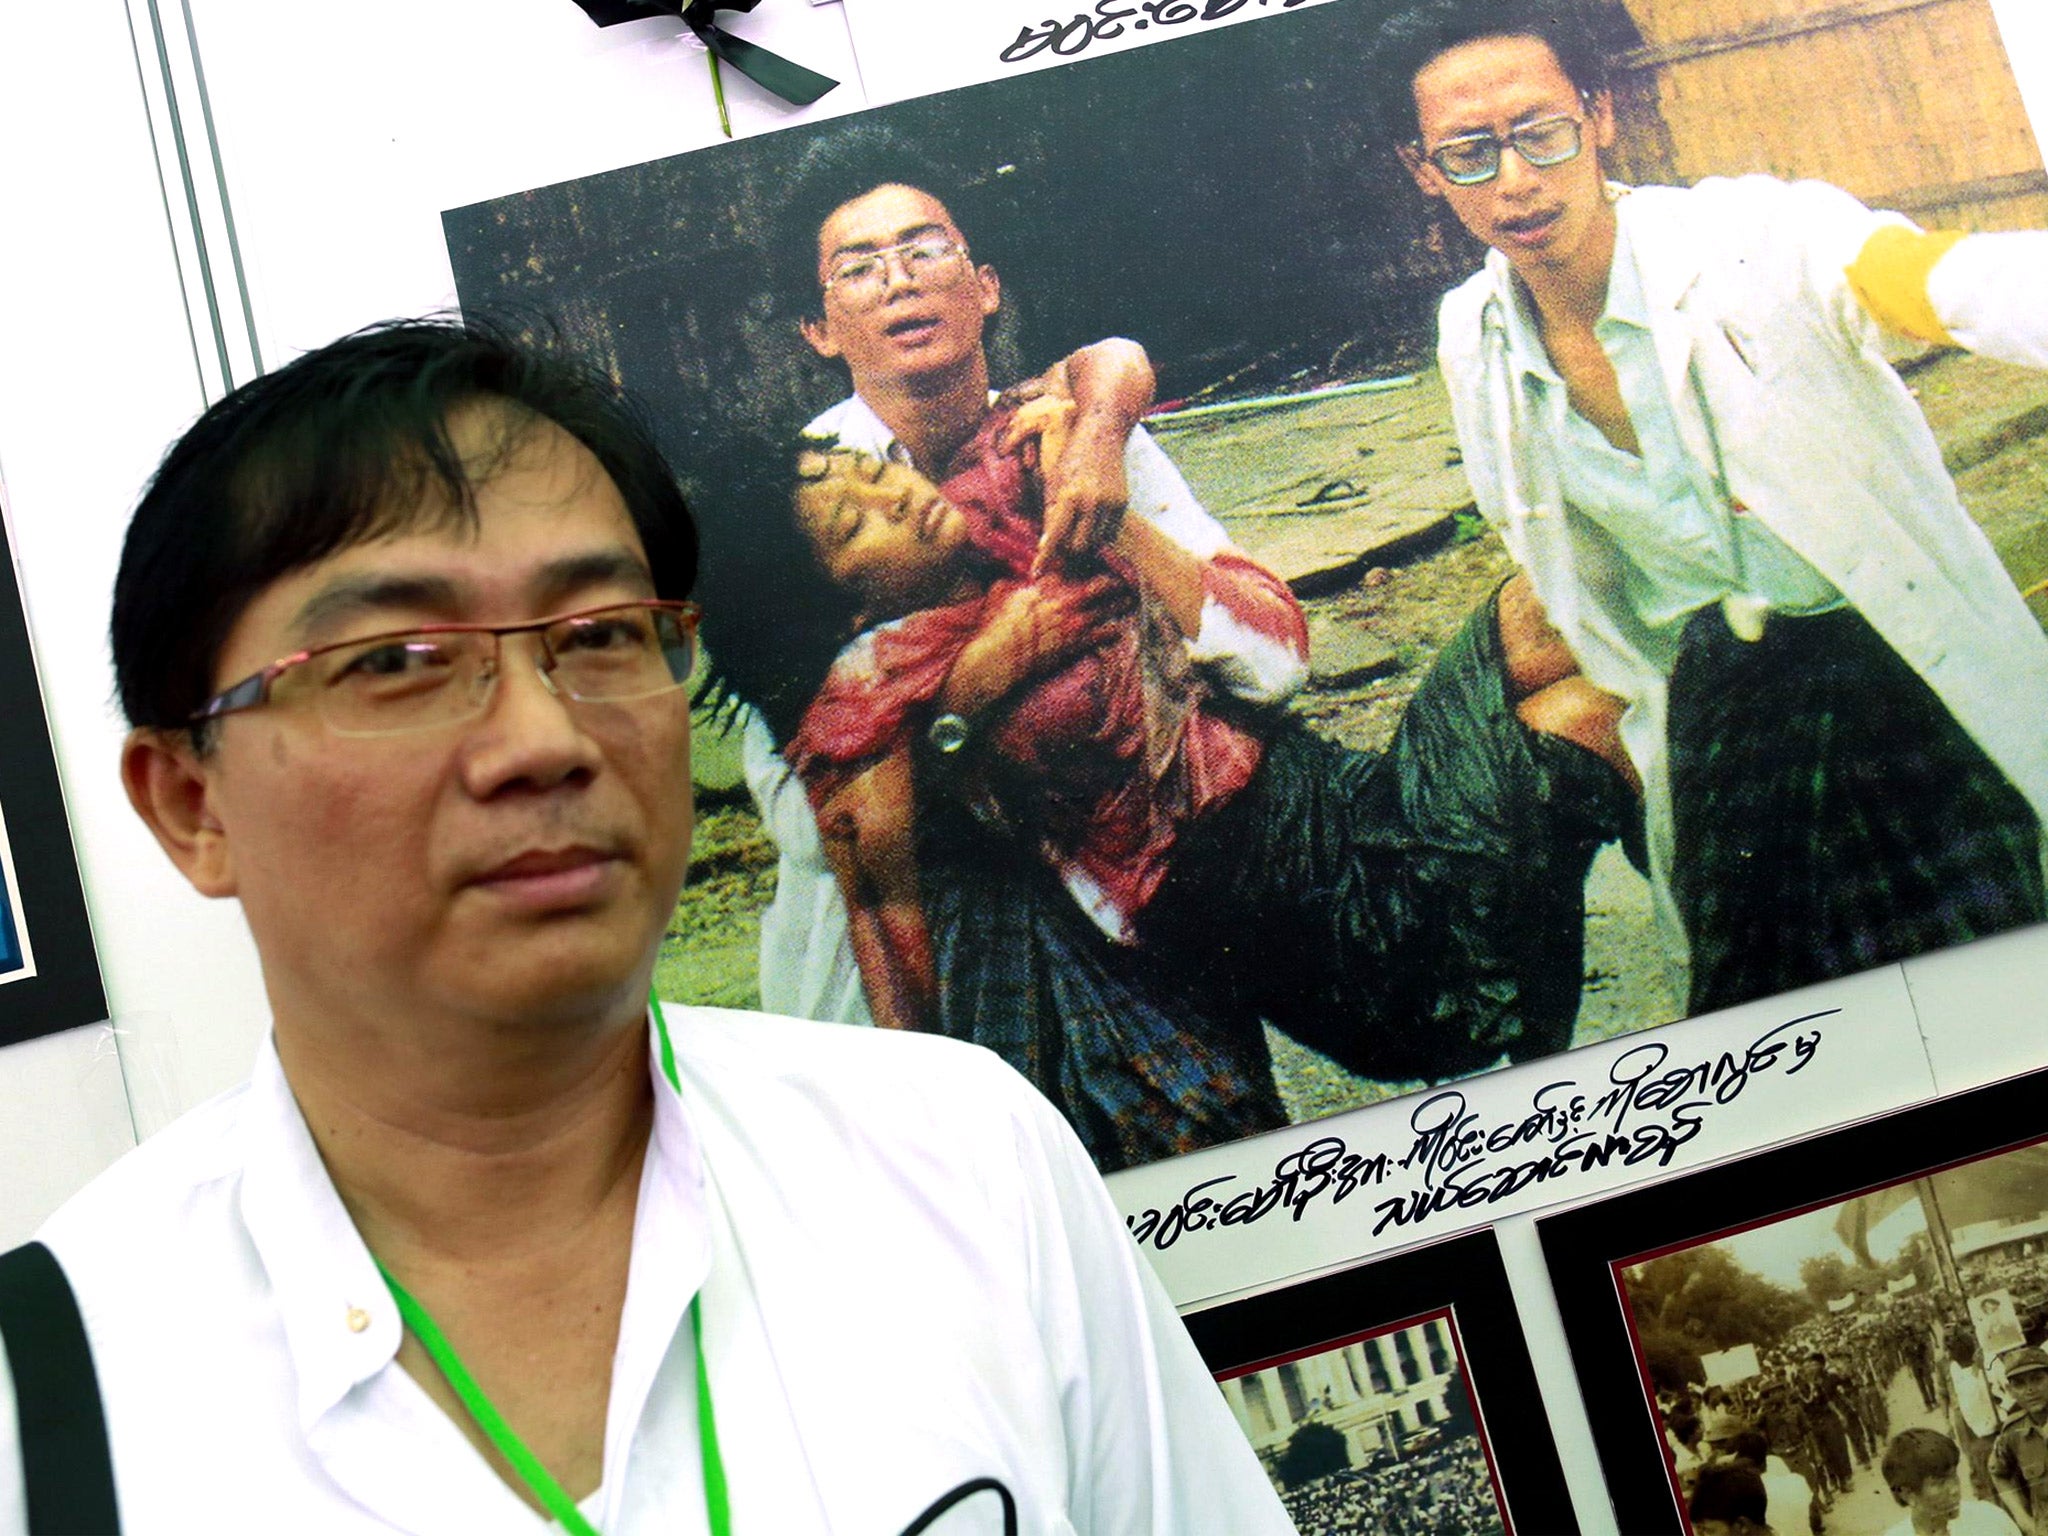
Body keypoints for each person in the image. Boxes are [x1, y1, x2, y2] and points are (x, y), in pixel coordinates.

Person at [0, 319, 1291, 1533]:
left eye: (606, 633)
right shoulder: (53, 1401)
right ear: (190, 806)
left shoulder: (966, 1160)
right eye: (395, 660)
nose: (543, 740)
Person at [1369, 0, 2048, 1014]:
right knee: (1787, 1043)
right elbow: (1575, 577)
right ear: (1420, 168)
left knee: (1994, 1005)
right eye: (1467, 153)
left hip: (1895, 670)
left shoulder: (1751, 239)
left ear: (1596, 115)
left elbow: (1941, 281)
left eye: (1538, 133)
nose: (1513, 181)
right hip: (1727, 708)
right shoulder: (1472, 337)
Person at [781, 397, 1624, 1078]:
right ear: (839, 602)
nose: (893, 497)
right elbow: (883, 911)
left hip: (1341, 797)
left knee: (1572, 597)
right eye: (854, 527)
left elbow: (1109, 368)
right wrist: (971, 696)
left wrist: (1092, 442)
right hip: (1322, 929)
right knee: (1591, 714)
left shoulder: (1003, 514)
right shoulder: (872, 691)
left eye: (873, 470)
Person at [1882, 1427, 2022, 1536]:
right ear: (1907, 1494)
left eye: (1953, 1476)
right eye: (1939, 1483)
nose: (1955, 1489)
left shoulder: (1989, 1519)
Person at [1991, 1347, 2048, 1534]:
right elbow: (1998, 1472)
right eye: (2020, 1384)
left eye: (2037, 1379)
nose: (2030, 1390)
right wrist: (2023, 1519)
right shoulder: (2013, 1432)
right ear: (2011, 1391)